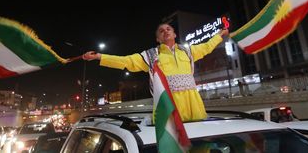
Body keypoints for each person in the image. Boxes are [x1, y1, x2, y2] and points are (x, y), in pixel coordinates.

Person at [82, 23, 229, 122]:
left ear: (175, 34)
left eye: (168, 29)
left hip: (193, 104)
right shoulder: (151, 55)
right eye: (161, 31)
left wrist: (220, 34)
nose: (165, 31)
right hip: (166, 106)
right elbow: (126, 61)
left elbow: (207, 46)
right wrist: (99, 56)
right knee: (173, 146)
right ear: (157, 38)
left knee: (198, 141)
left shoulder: (188, 51)